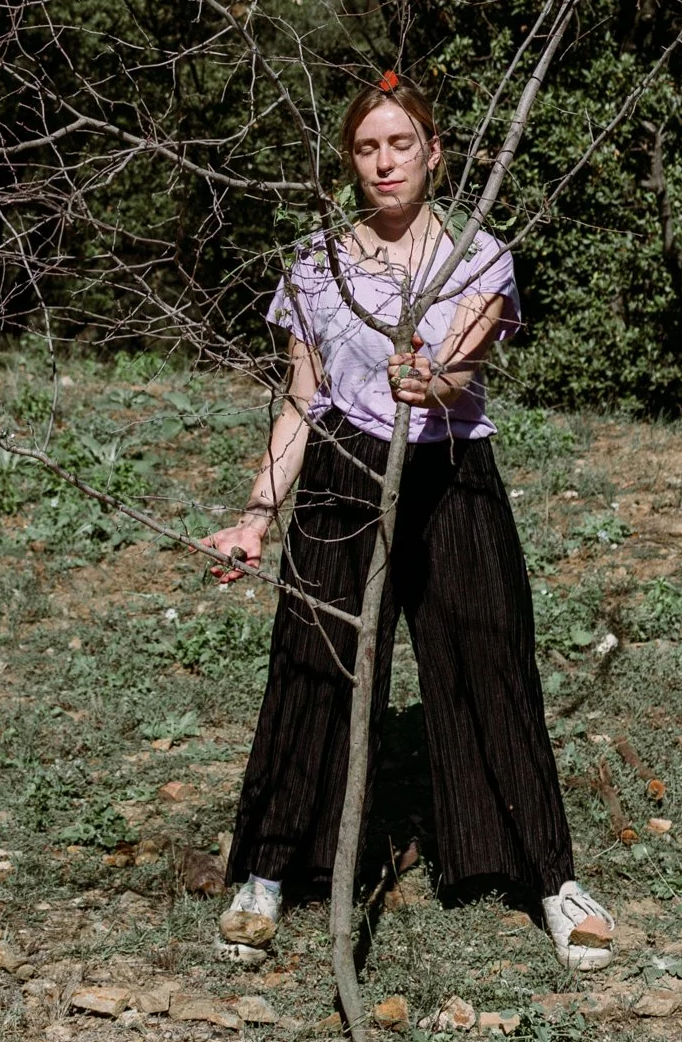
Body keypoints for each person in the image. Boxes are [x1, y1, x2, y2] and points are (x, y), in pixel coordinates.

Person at [200, 73, 616, 972]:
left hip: (450, 469)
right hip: (344, 474)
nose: (384, 162)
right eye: (366, 147)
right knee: (313, 662)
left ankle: (551, 877)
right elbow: (302, 399)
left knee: (489, 663)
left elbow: (460, 374)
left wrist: (432, 381)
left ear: (433, 152)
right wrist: (255, 516)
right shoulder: (316, 264)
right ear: (349, 161)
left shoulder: (477, 256)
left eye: (400, 144)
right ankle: (266, 874)